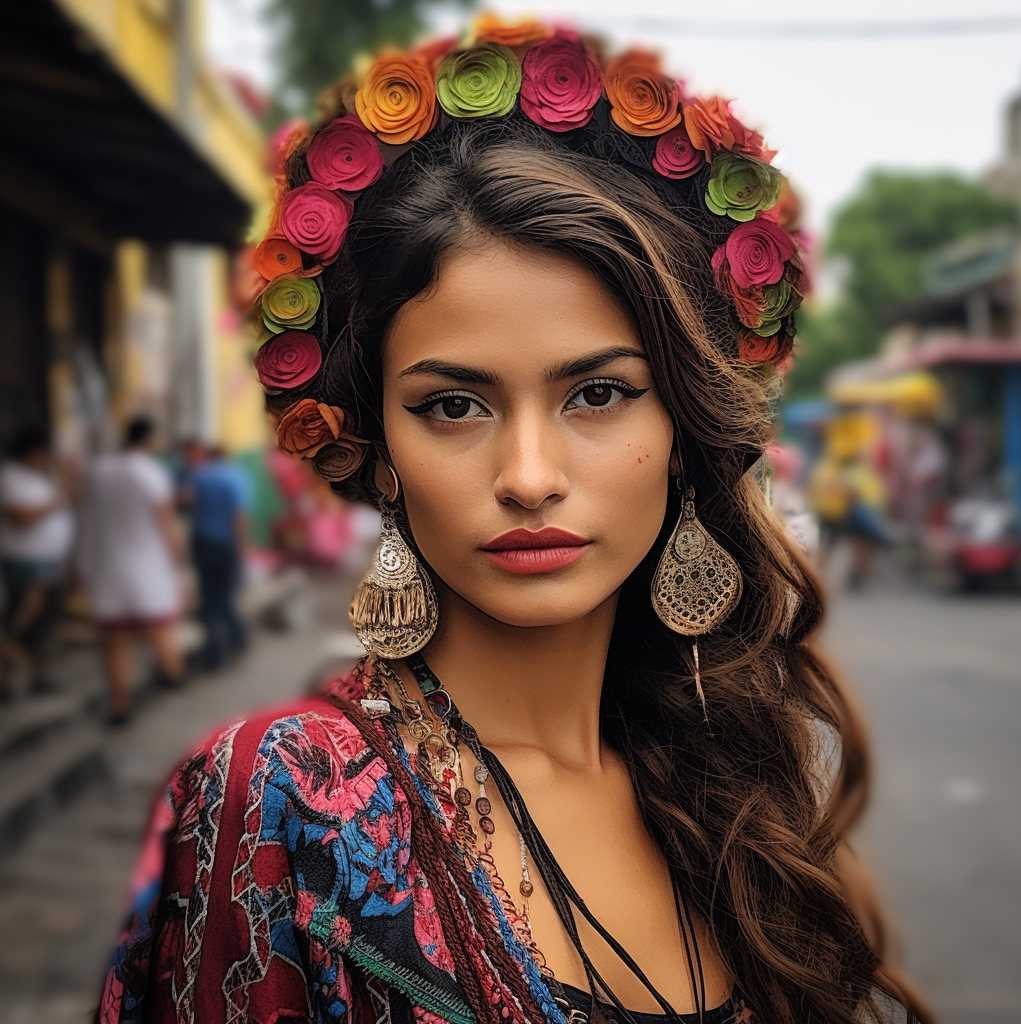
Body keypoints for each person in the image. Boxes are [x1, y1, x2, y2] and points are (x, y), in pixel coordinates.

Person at [96, 20, 929, 1024]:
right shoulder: (283, 797)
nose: (528, 477)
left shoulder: (728, 788)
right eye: (453, 406)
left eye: (599, 395)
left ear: (682, 426)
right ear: (383, 454)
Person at [77, 416, 184, 722]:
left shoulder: (98, 472)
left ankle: (120, 705)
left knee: (116, 641)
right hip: (147, 567)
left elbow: (86, 520)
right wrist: (177, 554)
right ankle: (173, 679)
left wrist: (82, 564)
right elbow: (164, 521)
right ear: (149, 439)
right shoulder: (151, 472)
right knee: (161, 631)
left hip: (107, 569)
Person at [0, 425, 73, 697]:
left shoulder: (41, 478)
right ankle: (6, 679)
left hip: (49, 560)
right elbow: (21, 517)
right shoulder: (9, 476)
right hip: (27, 563)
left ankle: (38, 675)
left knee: (43, 625)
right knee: (21, 621)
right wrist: (57, 501)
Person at [181, 442, 252, 669]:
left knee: (208, 599)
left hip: (202, 543)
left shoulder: (198, 476)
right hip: (226, 544)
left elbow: (186, 503)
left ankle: (213, 655)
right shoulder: (235, 477)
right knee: (226, 597)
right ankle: (238, 641)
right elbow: (238, 515)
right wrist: (242, 547)